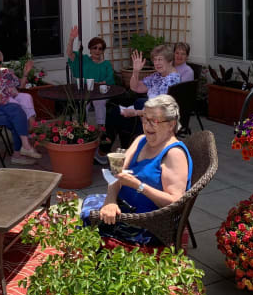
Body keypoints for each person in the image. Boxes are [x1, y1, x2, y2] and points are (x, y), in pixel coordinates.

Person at [81, 95, 193, 246]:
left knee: (87, 224)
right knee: (89, 209)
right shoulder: (141, 140)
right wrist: (110, 200)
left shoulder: (174, 154)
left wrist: (138, 186)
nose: (147, 126)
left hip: (146, 223)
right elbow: (117, 172)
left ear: (171, 124)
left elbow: (175, 201)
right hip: (122, 208)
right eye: (145, 118)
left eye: (154, 120)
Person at [101, 45, 181, 158]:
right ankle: (116, 149)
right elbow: (136, 87)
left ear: (169, 60)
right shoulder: (159, 76)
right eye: (155, 60)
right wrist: (136, 71)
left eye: (160, 59)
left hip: (154, 122)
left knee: (115, 114)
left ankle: (107, 151)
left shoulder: (171, 81)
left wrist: (135, 112)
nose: (157, 63)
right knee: (114, 108)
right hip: (146, 114)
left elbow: (160, 112)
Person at [66, 25, 115, 126]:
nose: (97, 51)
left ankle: (101, 128)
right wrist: (71, 39)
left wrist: (103, 82)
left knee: (99, 102)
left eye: (100, 49)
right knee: (83, 103)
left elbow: (110, 78)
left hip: (100, 92)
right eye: (95, 48)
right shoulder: (83, 59)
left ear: (103, 51)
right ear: (90, 49)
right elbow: (70, 54)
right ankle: (83, 128)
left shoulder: (106, 64)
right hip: (85, 90)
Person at [0, 49, 37, 127]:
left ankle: (32, 127)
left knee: (26, 97)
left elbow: (21, 86)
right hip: (0, 102)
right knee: (16, 105)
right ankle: (25, 130)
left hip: (14, 96)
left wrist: (25, 74)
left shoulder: (7, 72)